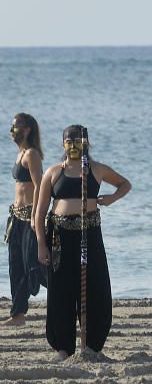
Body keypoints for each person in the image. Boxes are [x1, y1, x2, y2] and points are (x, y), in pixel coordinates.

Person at [35, 126, 131, 361]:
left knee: (94, 289)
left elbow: (124, 184)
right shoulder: (54, 172)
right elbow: (39, 213)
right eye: (70, 141)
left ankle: (91, 346)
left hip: (90, 235)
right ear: (63, 143)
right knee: (61, 292)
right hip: (59, 238)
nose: (74, 145)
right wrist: (41, 243)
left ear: (87, 143)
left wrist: (111, 198)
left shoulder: (96, 170)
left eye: (78, 141)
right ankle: (63, 349)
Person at [4, 113, 45, 326]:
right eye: (12, 126)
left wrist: (36, 215)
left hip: (30, 215)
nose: (13, 130)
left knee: (34, 265)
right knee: (15, 265)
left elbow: (39, 185)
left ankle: (66, 291)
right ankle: (18, 315)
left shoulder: (32, 154)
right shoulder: (20, 153)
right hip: (16, 217)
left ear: (27, 129)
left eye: (16, 126)